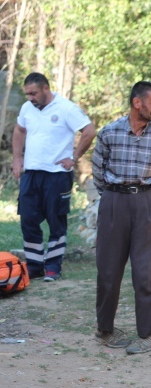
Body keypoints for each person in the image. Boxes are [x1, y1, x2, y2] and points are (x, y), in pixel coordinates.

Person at [12, 72, 96, 281]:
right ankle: (34, 265)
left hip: (57, 175)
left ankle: (53, 266)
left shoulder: (66, 108)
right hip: (31, 173)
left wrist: (74, 157)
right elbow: (19, 130)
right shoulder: (27, 108)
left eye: (33, 93)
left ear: (45, 89)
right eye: (27, 94)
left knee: (56, 220)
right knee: (28, 219)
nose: (30, 98)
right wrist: (17, 158)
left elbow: (89, 131)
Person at [92, 81, 151, 355]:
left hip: (146, 202)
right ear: (137, 102)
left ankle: (146, 334)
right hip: (114, 202)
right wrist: (114, 197)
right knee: (108, 270)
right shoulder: (109, 132)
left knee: (146, 272)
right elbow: (98, 171)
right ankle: (105, 329)